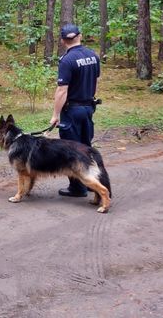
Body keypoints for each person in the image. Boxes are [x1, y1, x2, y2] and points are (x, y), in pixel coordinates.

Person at [49, 24, 100, 197]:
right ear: (80, 36)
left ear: (63, 40)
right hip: (88, 108)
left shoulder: (67, 60)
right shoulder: (93, 55)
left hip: (72, 111)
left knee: (71, 150)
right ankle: (90, 182)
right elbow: (96, 82)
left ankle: (78, 188)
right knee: (86, 148)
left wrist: (56, 115)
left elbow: (62, 90)